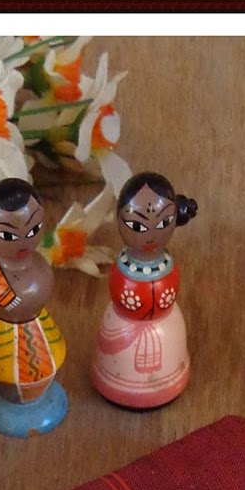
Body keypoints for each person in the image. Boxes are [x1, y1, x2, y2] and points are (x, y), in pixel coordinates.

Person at [90, 171, 198, 409]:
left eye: (161, 223)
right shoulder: (124, 272)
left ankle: (159, 382)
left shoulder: (165, 272)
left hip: (159, 323)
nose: (149, 234)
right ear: (119, 220)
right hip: (125, 322)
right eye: (136, 225)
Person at [0, 178, 68, 435]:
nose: (23, 241)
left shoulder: (38, 265)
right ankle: (14, 401)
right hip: (4, 330)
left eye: (33, 228)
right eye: (7, 234)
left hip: (38, 322)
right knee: (7, 369)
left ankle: (37, 397)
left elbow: (35, 291)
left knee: (43, 362)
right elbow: (8, 297)